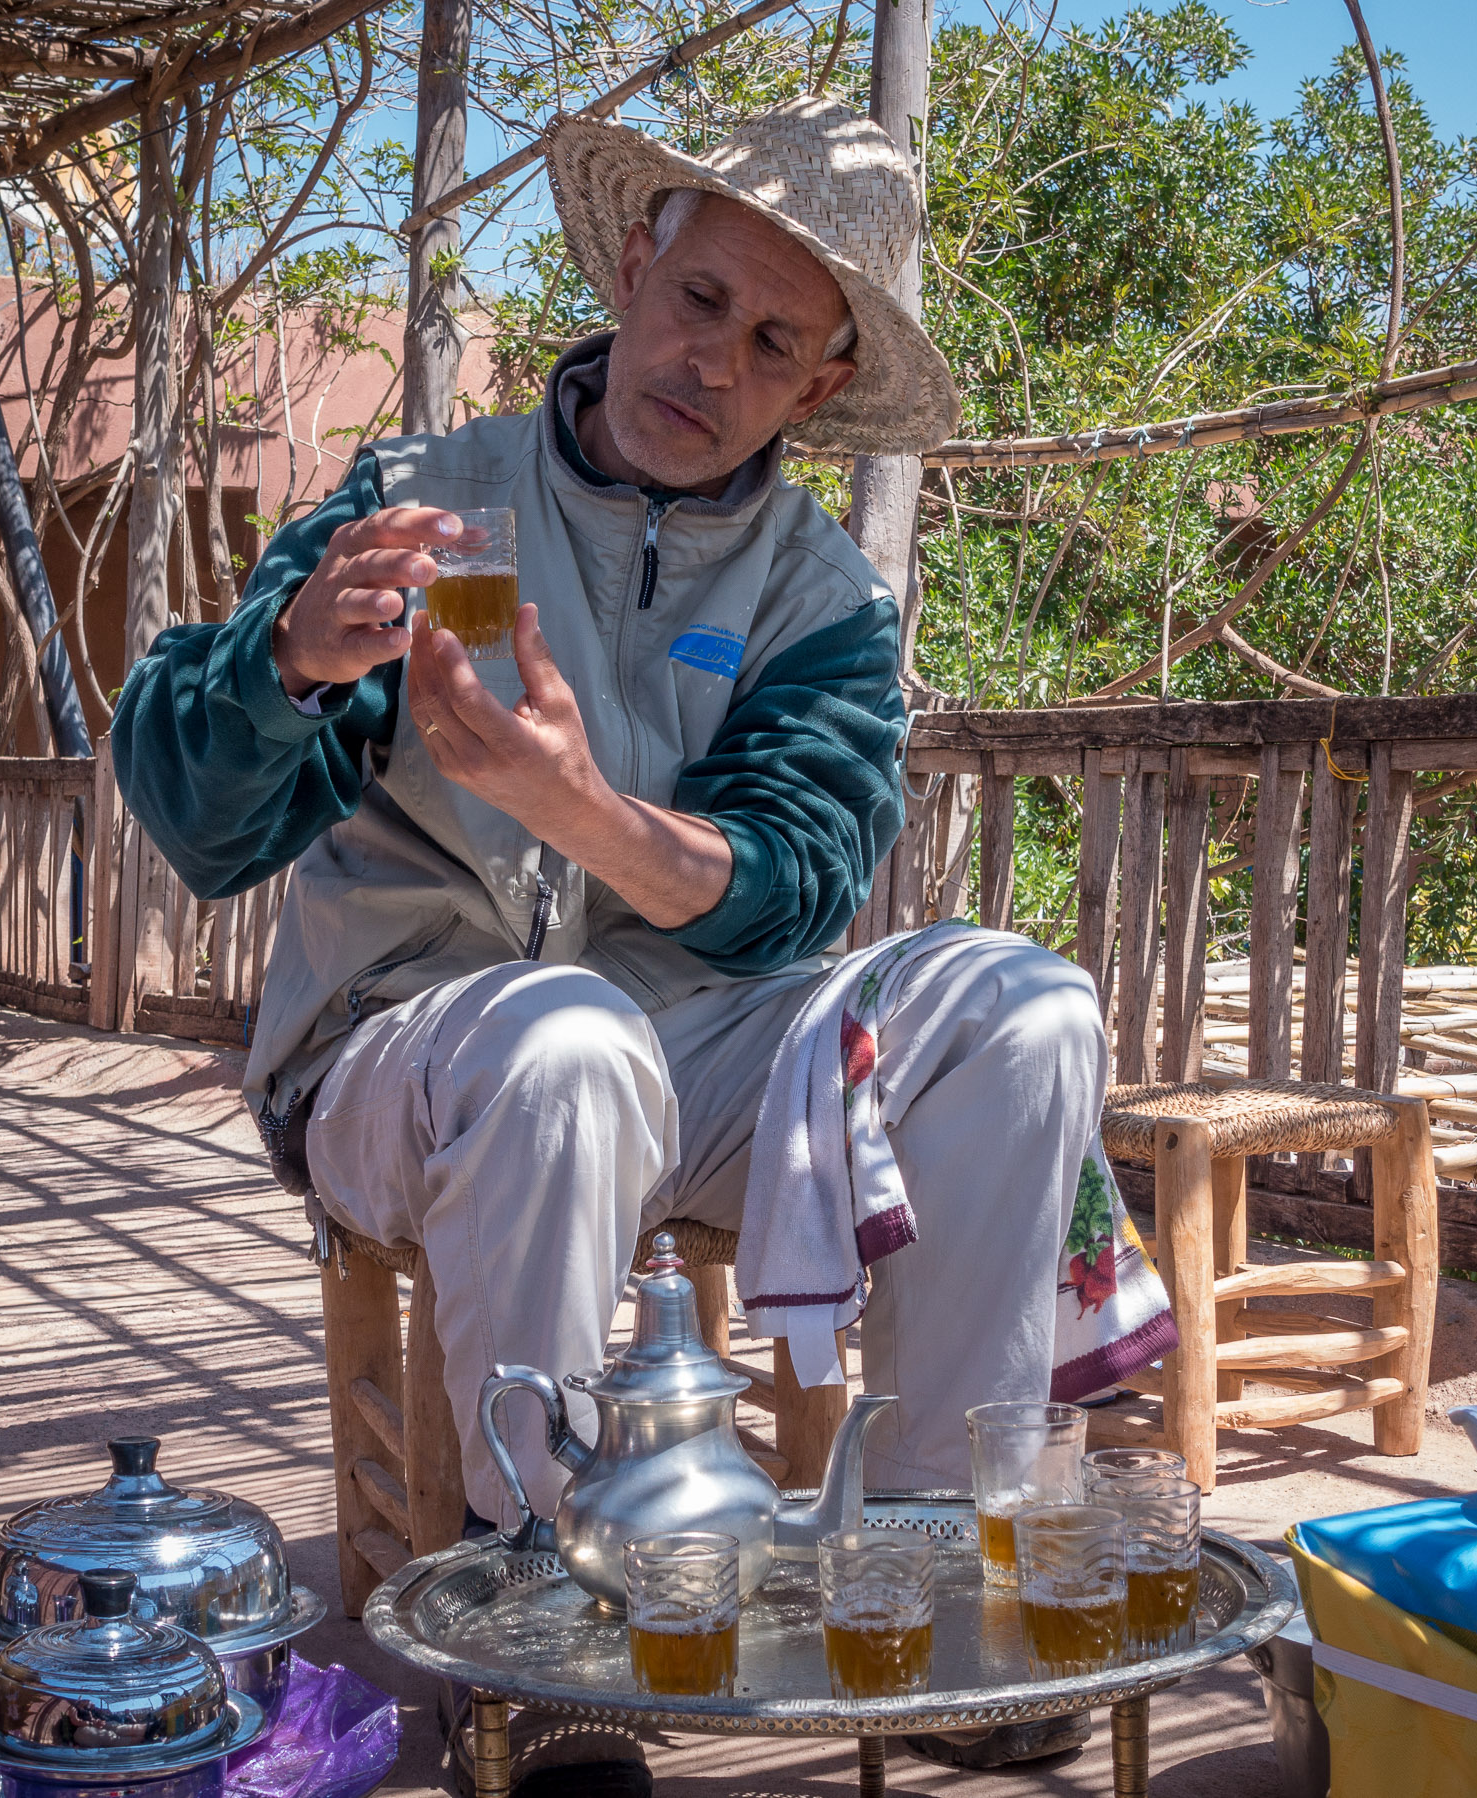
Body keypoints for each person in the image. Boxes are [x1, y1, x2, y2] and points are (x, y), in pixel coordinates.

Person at [114, 94, 1108, 1790]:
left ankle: (951, 1585)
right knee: (563, 1041)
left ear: (820, 388)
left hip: (704, 1056)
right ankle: (553, 1645)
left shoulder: (824, 603)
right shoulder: (423, 500)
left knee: (1025, 1001)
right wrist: (288, 659)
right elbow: (197, 818)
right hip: (408, 1044)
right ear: (638, 260)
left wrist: (575, 805)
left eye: (776, 341)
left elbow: (795, 883)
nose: (716, 360)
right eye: (705, 297)